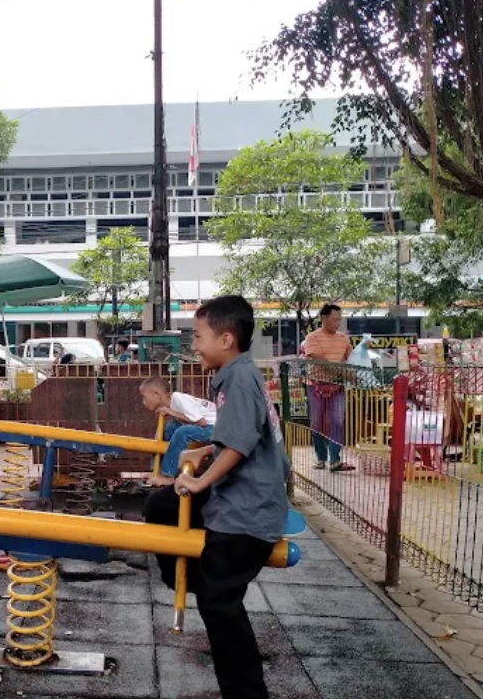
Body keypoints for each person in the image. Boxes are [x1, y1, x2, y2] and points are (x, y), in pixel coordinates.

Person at [146, 295, 290, 699]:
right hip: (243, 499)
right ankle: (198, 578)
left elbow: (240, 445)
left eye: (198, 336)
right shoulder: (237, 374)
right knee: (160, 505)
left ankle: (247, 693)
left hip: (248, 512)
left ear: (226, 340)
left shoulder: (239, 379)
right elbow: (239, 434)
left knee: (220, 604)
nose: (194, 345)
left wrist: (201, 481)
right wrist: (205, 450)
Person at [302, 303, 355, 472]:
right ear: (324, 318)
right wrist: (345, 374)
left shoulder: (344, 339)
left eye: (339, 320)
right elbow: (320, 361)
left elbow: (352, 360)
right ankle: (321, 457)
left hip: (337, 386)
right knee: (317, 422)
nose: (337, 323)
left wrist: (358, 365)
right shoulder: (312, 337)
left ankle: (335, 460)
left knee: (337, 421)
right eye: (334, 320)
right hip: (315, 386)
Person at [139, 376, 218, 486]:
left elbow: (201, 421)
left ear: (157, 394)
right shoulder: (173, 403)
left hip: (215, 427)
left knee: (182, 432)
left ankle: (167, 475)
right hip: (207, 425)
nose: (143, 402)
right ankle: (157, 470)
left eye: (144, 397)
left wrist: (171, 412)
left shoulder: (178, 398)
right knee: (170, 428)